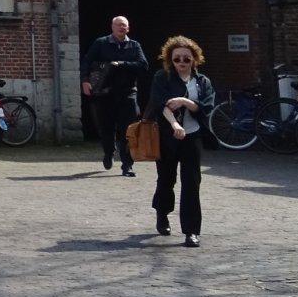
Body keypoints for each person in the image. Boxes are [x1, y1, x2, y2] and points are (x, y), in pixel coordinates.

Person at [144, 35, 216, 248]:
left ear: (194, 59)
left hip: (192, 136)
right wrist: (175, 125)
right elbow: (160, 104)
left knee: (192, 182)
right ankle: (162, 213)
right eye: (177, 59)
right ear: (170, 59)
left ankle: (191, 231)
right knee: (166, 179)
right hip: (168, 136)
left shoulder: (202, 82)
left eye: (186, 58)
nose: (182, 62)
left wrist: (185, 101)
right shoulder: (163, 77)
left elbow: (206, 107)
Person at [82, 15, 151, 175]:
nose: (121, 27)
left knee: (128, 130)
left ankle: (127, 165)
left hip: (127, 93)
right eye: (118, 25)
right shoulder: (101, 43)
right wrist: (85, 80)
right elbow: (87, 61)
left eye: (124, 25)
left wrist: (122, 64)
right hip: (104, 93)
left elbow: (143, 65)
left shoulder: (134, 46)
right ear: (112, 27)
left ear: (128, 28)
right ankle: (109, 152)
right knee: (106, 127)